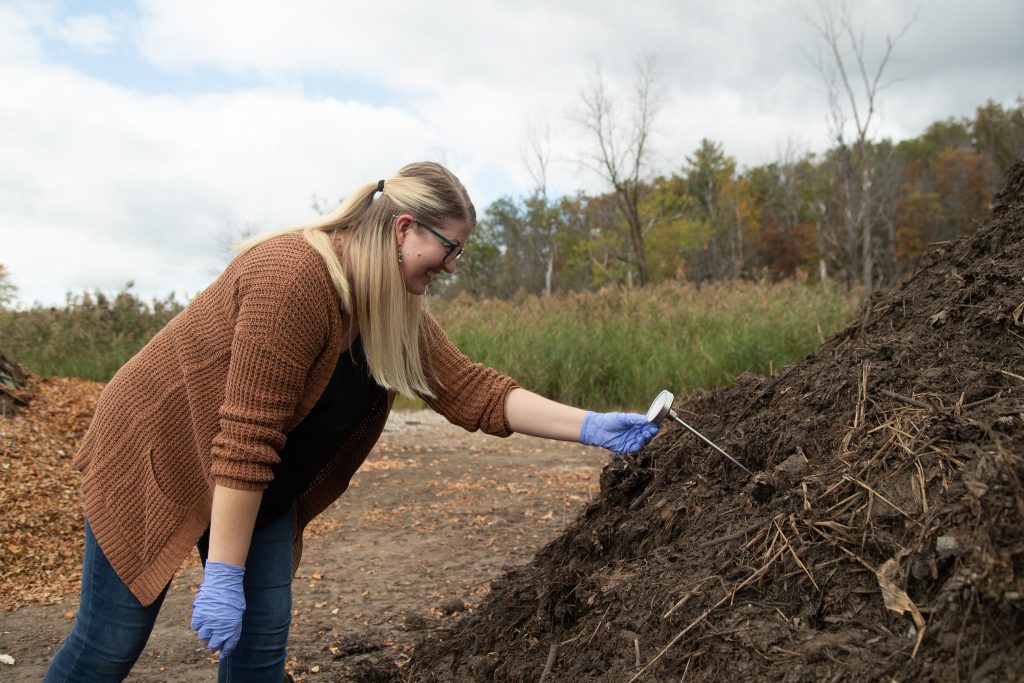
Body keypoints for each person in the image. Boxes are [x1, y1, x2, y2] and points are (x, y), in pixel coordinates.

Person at [44, 161, 659, 682]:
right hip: (161, 452)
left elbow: (471, 390)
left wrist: (592, 425)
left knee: (258, 652)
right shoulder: (293, 278)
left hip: (259, 482)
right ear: (403, 229)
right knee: (110, 644)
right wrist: (225, 576)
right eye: (449, 249)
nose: (451, 268)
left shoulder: (392, 305)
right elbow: (244, 441)